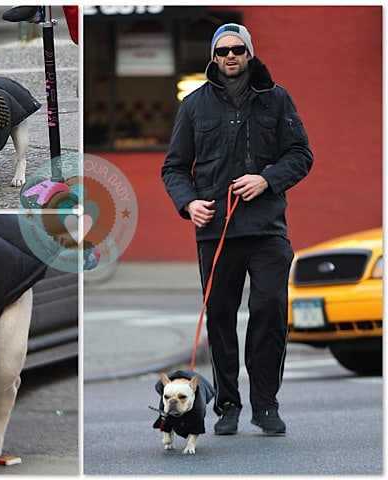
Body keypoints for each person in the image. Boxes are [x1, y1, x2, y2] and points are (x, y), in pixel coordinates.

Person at [161, 23, 313, 436]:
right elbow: (174, 167)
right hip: (216, 233)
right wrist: (189, 203)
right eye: (223, 50)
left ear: (249, 53)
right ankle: (227, 404)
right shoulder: (194, 105)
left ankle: (266, 405)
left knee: (268, 314)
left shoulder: (276, 99)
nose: (231, 56)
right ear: (214, 56)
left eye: (238, 49)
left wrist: (267, 179)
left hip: (267, 230)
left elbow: (301, 154)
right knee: (221, 319)